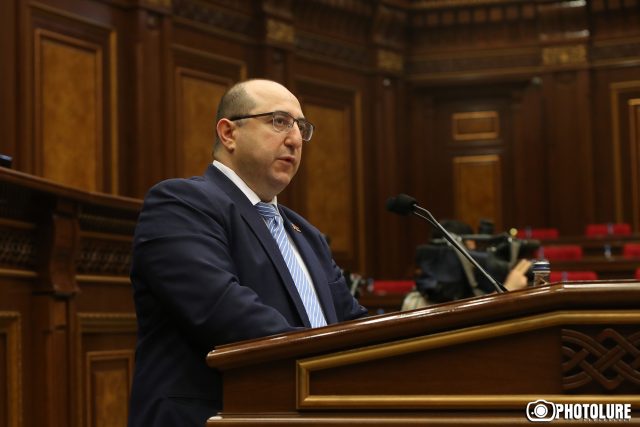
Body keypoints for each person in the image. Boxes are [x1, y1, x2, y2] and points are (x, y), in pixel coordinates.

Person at [127, 79, 368, 427]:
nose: (295, 139)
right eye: (279, 121)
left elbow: (353, 323)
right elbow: (223, 311)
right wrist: (324, 363)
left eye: (301, 128)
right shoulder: (180, 203)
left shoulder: (307, 235)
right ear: (229, 133)